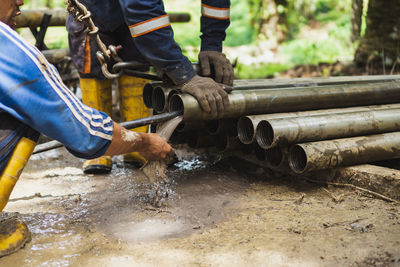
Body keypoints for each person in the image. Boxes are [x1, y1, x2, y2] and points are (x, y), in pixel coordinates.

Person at [0, 0, 173, 257]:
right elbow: (82, 131)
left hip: (116, 22)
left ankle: (119, 153)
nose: (20, 1)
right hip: (95, 18)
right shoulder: (9, 49)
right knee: (35, 109)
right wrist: (146, 142)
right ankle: (112, 154)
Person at [66, 0, 233, 173]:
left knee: (137, 62)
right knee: (94, 67)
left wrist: (212, 45)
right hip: (92, 9)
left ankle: (135, 144)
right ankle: (98, 148)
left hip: (133, 12)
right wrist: (181, 71)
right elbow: (141, 9)